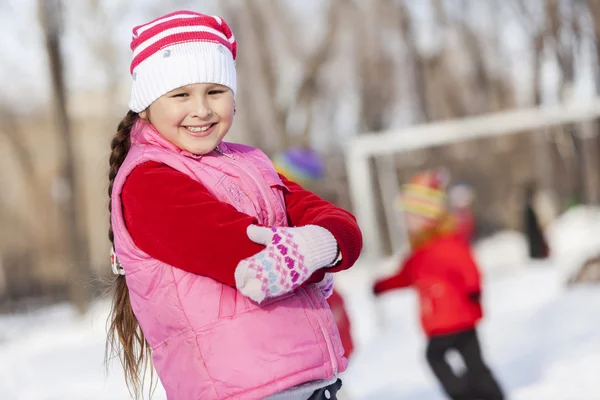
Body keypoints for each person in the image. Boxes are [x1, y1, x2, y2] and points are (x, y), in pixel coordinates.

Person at [105, 10, 362, 400]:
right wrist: (313, 251)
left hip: (309, 380)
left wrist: (322, 245)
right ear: (145, 106)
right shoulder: (147, 182)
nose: (202, 109)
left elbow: (339, 224)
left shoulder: (251, 163)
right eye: (180, 94)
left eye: (215, 91)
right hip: (241, 390)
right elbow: (244, 257)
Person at [373, 170, 503, 400]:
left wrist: (474, 290)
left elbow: (468, 266)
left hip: (451, 317)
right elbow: (405, 276)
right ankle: (489, 394)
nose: (406, 223)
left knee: (435, 356)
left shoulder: (445, 243)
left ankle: (464, 394)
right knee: (472, 360)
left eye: (411, 217)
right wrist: (383, 286)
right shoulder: (419, 252)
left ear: (428, 217)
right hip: (450, 318)